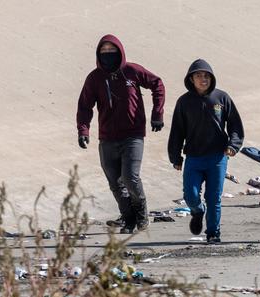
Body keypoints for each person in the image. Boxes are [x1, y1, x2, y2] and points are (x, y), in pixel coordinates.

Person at [77, 34, 165, 234]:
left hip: (133, 135)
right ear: (99, 54)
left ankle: (142, 215)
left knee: (130, 177)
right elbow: (84, 106)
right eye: (104, 51)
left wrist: (157, 114)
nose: (108, 53)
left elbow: (157, 84)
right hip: (107, 138)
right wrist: (83, 130)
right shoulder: (94, 78)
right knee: (115, 183)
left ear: (120, 51)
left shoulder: (132, 71)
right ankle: (129, 219)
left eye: (112, 50)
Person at [168, 59, 244, 243]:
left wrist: (233, 146)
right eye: (198, 76)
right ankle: (197, 211)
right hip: (193, 158)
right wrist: (175, 156)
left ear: (212, 78)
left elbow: (235, 125)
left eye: (206, 76)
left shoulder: (221, 98)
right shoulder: (184, 102)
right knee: (190, 195)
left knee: (214, 198)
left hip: (217, 157)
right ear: (191, 79)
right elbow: (177, 131)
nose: (203, 79)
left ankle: (213, 233)